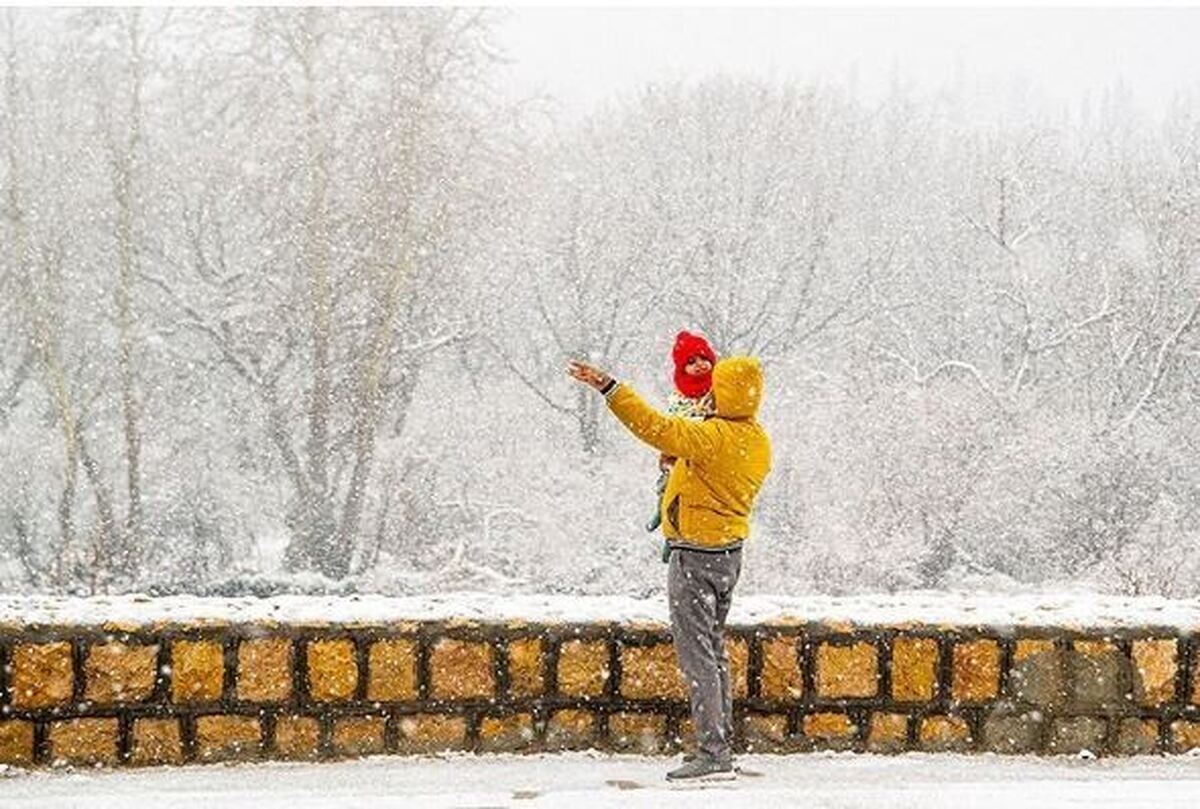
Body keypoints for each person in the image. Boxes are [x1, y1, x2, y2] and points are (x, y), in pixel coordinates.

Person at [567, 352, 772, 781]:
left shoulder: (712, 436)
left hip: (696, 556)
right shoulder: (755, 439)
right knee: (713, 650)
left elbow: (655, 426)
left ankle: (713, 754)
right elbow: (707, 470)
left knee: (697, 654)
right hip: (728, 554)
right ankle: (721, 744)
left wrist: (610, 388)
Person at [646, 332, 718, 567]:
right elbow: (671, 427)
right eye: (691, 362)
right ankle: (667, 526)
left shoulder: (719, 391)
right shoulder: (679, 398)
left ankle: (680, 534)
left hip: (707, 453)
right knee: (669, 490)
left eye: (702, 359)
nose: (699, 365)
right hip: (679, 452)